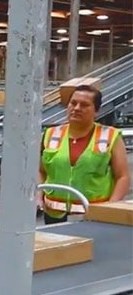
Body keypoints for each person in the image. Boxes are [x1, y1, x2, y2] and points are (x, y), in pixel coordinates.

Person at [37, 84, 130, 223]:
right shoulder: (50, 134)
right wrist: (38, 197)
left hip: (94, 215)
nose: (76, 108)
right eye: (73, 103)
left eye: (84, 105)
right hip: (54, 215)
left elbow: (123, 177)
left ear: (96, 110)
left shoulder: (110, 136)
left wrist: (110, 207)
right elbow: (40, 171)